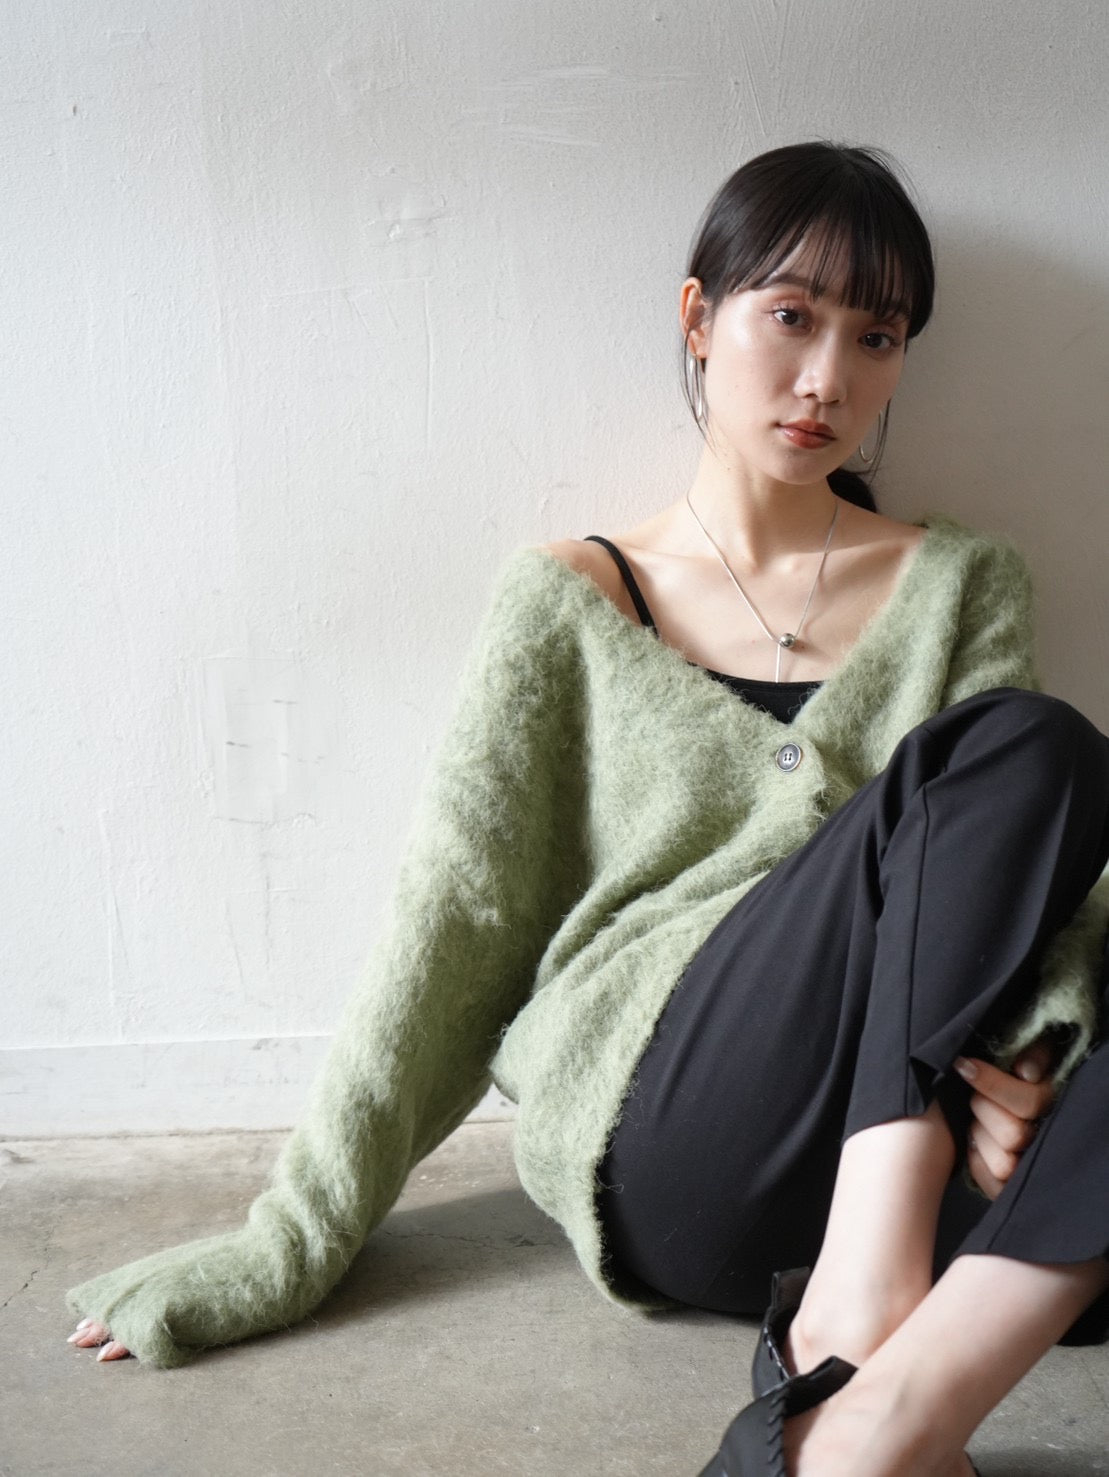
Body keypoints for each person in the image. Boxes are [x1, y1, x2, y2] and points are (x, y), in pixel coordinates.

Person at [65, 142, 1109, 1477]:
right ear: (699, 319)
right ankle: (859, 1307)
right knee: (1025, 743)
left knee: (1034, 770)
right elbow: (454, 925)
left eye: (876, 336)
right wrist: (286, 1241)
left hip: (933, 1183)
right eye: (790, 316)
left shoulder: (962, 581)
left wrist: (1024, 1064)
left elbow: (1015, 888)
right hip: (686, 1139)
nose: (827, 379)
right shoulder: (570, 602)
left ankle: (879, 1421)